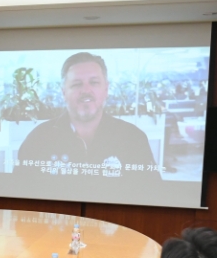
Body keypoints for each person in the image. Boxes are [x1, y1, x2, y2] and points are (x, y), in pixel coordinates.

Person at [14, 52, 156, 179]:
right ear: (64, 92)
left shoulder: (133, 138)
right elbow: (19, 194)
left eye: (94, 82)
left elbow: (152, 194)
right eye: (76, 84)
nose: (86, 90)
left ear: (106, 89)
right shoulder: (38, 139)